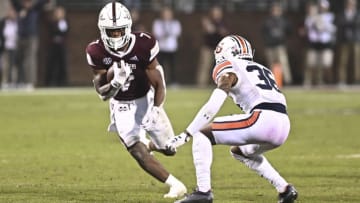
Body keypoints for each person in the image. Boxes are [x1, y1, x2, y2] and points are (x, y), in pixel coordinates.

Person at [166, 35, 298, 203]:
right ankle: (285, 189)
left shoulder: (230, 65)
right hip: (283, 125)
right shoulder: (263, 69)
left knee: (202, 134)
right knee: (240, 151)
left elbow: (215, 102)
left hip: (262, 119)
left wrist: (186, 133)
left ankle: (203, 192)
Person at [85, 2, 186, 199]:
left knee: (169, 148)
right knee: (134, 147)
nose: (115, 36)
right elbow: (101, 93)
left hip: (146, 99)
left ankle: (149, 145)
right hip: (121, 104)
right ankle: (175, 184)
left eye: (119, 31)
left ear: (128, 27)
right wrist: (114, 84)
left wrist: (156, 110)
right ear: (102, 30)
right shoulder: (95, 51)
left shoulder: (143, 44)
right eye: (111, 31)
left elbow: (159, 83)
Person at [11, 0, 49, 89]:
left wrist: (32, 4)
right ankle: (18, 81)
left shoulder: (34, 9)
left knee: (30, 60)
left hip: (31, 37)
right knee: (17, 60)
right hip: (19, 36)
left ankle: (30, 82)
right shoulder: (19, 8)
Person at [303, 0, 336, 87]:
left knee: (325, 64)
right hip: (313, 43)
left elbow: (334, 29)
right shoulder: (312, 16)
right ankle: (308, 81)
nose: (322, 9)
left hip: (325, 43)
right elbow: (307, 26)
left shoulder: (330, 16)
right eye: (321, 7)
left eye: (324, 7)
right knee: (311, 63)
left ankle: (320, 80)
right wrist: (314, 19)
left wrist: (324, 25)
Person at [196, 5, 228, 88]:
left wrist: (215, 29)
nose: (217, 14)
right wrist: (208, 26)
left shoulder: (222, 23)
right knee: (205, 66)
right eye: (215, 13)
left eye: (218, 13)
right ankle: (201, 85)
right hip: (208, 47)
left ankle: (222, 84)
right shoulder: (208, 21)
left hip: (219, 49)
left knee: (221, 67)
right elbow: (207, 31)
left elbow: (223, 32)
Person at [262, 2, 292, 86]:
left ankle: (287, 81)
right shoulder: (268, 21)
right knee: (271, 64)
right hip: (270, 46)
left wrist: (283, 39)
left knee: (283, 63)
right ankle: (272, 81)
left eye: (277, 10)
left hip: (280, 45)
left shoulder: (283, 21)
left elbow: (289, 31)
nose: (275, 11)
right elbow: (263, 32)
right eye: (274, 10)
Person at [152, 6, 182, 86]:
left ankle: (173, 82)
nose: (167, 15)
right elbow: (156, 33)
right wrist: (164, 34)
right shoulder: (158, 23)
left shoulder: (175, 23)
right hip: (162, 48)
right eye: (165, 14)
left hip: (172, 48)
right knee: (161, 66)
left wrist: (168, 33)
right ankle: (161, 82)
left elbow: (177, 33)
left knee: (172, 66)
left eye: (168, 14)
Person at [336, 0, 360, 85]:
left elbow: (357, 24)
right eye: (349, 3)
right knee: (343, 61)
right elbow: (340, 23)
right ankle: (341, 80)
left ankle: (357, 80)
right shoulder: (341, 13)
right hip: (344, 40)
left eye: (353, 3)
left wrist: (347, 24)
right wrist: (350, 24)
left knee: (356, 61)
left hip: (355, 40)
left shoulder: (357, 14)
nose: (351, 5)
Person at [45, 6, 68, 87]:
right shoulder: (52, 22)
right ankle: (49, 82)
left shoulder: (64, 22)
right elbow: (52, 33)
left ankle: (62, 82)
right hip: (53, 45)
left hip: (61, 45)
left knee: (62, 63)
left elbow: (66, 33)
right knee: (52, 63)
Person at [0, 6, 18, 89]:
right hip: (5, 46)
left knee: (13, 65)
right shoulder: (3, 22)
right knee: (5, 65)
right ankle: (4, 81)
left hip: (14, 46)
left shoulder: (17, 22)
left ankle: (12, 82)